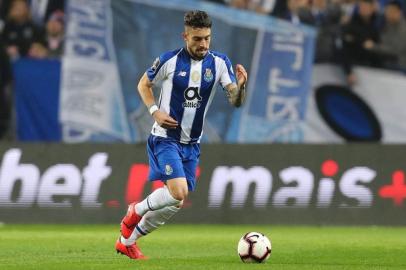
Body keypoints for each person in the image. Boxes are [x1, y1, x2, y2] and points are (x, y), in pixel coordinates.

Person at [115, 10, 248, 259]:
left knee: (175, 202)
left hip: (192, 144)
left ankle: (128, 240)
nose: (203, 44)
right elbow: (143, 84)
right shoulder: (169, 61)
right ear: (185, 36)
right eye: (197, 39)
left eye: (207, 38)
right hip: (166, 138)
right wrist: (154, 111)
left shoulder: (219, 63)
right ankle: (136, 210)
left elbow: (235, 100)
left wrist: (240, 87)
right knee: (179, 192)